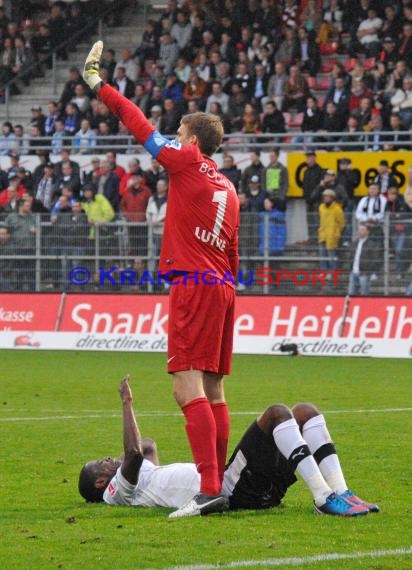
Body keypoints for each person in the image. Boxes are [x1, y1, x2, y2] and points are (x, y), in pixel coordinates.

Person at [83, 41, 239, 518]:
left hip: (193, 286)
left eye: (178, 133)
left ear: (191, 141)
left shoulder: (187, 162)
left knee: (184, 388)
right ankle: (218, 482)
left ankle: (209, 486)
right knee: (214, 390)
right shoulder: (228, 186)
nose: (170, 139)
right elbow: (233, 250)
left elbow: (137, 123)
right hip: (224, 288)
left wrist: (98, 83)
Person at [79, 376, 379, 518]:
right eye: (102, 462)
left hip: (255, 491)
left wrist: (125, 457)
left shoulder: (143, 479)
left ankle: (341, 491)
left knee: (305, 412)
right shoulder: (113, 495)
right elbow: (133, 452)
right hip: (231, 492)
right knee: (276, 414)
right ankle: (323, 498)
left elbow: (146, 446)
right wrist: (127, 403)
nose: (108, 458)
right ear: (100, 481)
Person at [348, 224, 380, 296]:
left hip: (364, 273)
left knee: (364, 294)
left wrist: (371, 271)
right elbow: (351, 256)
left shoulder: (372, 244)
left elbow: (375, 258)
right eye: (359, 230)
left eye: (362, 230)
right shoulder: (355, 243)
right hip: (353, 272)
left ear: (367, 232)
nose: (360, 232)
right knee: (351, 294)